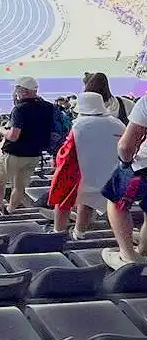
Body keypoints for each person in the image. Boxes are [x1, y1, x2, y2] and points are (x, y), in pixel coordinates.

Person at [48, 92, 125, 239]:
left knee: (63, 200)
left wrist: (58, 165)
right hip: (108, 172)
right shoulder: (117, 123)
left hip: (78, 171)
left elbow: (67, 152)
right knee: (89, 202)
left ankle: (58, 233)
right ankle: (79, 233)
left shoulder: (80, 125)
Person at [0, 77, 54, 215]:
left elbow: (14, 136)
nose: (15, 92)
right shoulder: (47, 107)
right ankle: (10, 210)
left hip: (13, 153)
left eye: (17, 89)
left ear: (24, 91)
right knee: (20, 186)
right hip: (34, 154)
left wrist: (1, 130)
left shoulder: (20, 109)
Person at [100, 94, 147, 269]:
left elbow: (125, 146)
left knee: (116, 202)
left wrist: (125, 163)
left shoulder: (145, 102)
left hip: (143, 168)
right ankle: (142, 252)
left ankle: (127, 256)